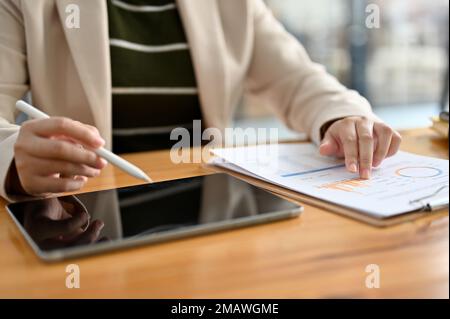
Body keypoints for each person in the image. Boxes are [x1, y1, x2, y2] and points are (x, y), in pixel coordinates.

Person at [0, 0, 402, 201]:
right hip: (84, 217)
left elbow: (296, 77)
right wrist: (13, 161)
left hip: (206, 212)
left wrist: (342, 116)